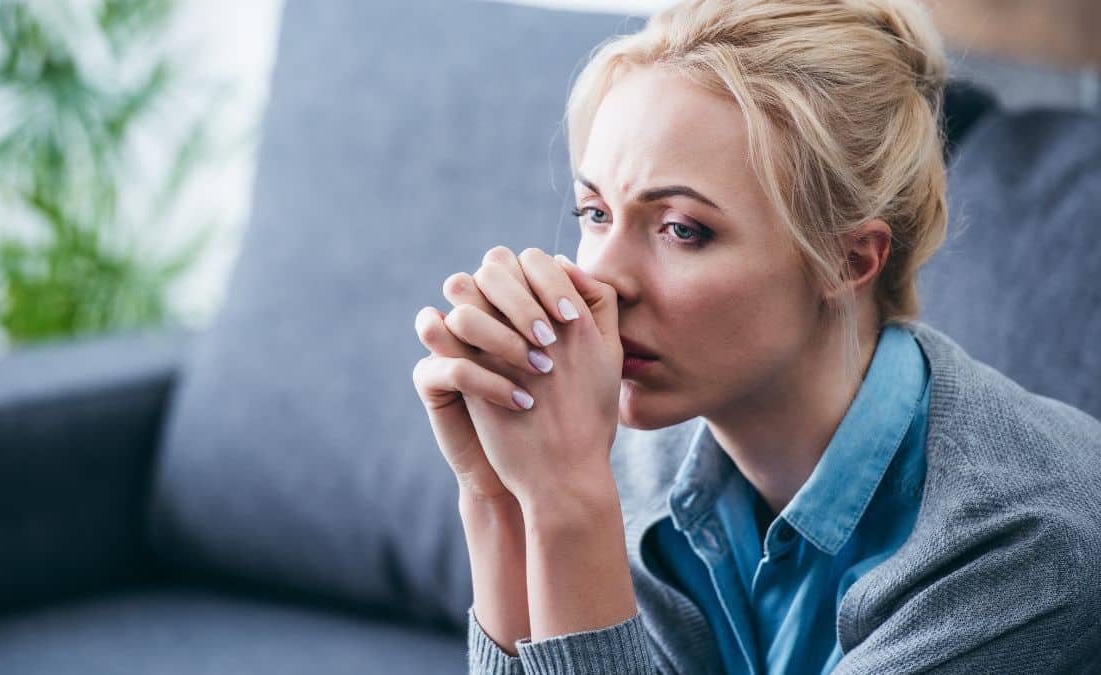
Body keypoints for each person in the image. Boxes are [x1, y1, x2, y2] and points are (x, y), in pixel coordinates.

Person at [410, 0, 1101, 672]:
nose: (602, 281)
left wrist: (568, 505)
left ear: (849, 260)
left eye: (682, 229)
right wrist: (497, 500)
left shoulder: (1020, 543)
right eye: (594, 212)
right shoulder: (631, 461)